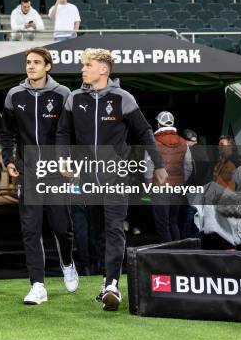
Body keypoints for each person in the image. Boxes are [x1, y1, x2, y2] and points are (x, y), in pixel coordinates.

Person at [56, 48, 167, 311]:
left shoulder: (123, 99)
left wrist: (159, 165)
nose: (83, 69)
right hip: (86, 177)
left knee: (115, 227)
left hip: (116, 174)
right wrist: (62, 158)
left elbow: (144, 131)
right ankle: (105, 279)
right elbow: (62, 132)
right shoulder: (74, 99)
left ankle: (111, 284)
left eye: (88, 65)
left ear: (103, 69)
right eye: (83, 65)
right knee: (97, 230)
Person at [0, 47, 78, 304]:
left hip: (56, 172)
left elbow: (69, 132)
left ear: (48, 67)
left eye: (36, 62)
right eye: (28, 62)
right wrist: (10, 160)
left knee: (62, 228)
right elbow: (6, 133)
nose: (31, 66)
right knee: (30, 230)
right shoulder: (14, 95)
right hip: (29, 172)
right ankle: (37, 285)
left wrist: (67, 161)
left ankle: (68, 262)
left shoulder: (63, 94)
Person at [145, 111, 192, 244]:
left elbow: (148, 168)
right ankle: (177, 255)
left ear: (159, 123)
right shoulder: (183, 143)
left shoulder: (153, 142)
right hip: (177, 188)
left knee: (163, 225)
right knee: (173, 222)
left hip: (159, 189)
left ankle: (168, 256)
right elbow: (188, 167)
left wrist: (148, 186)